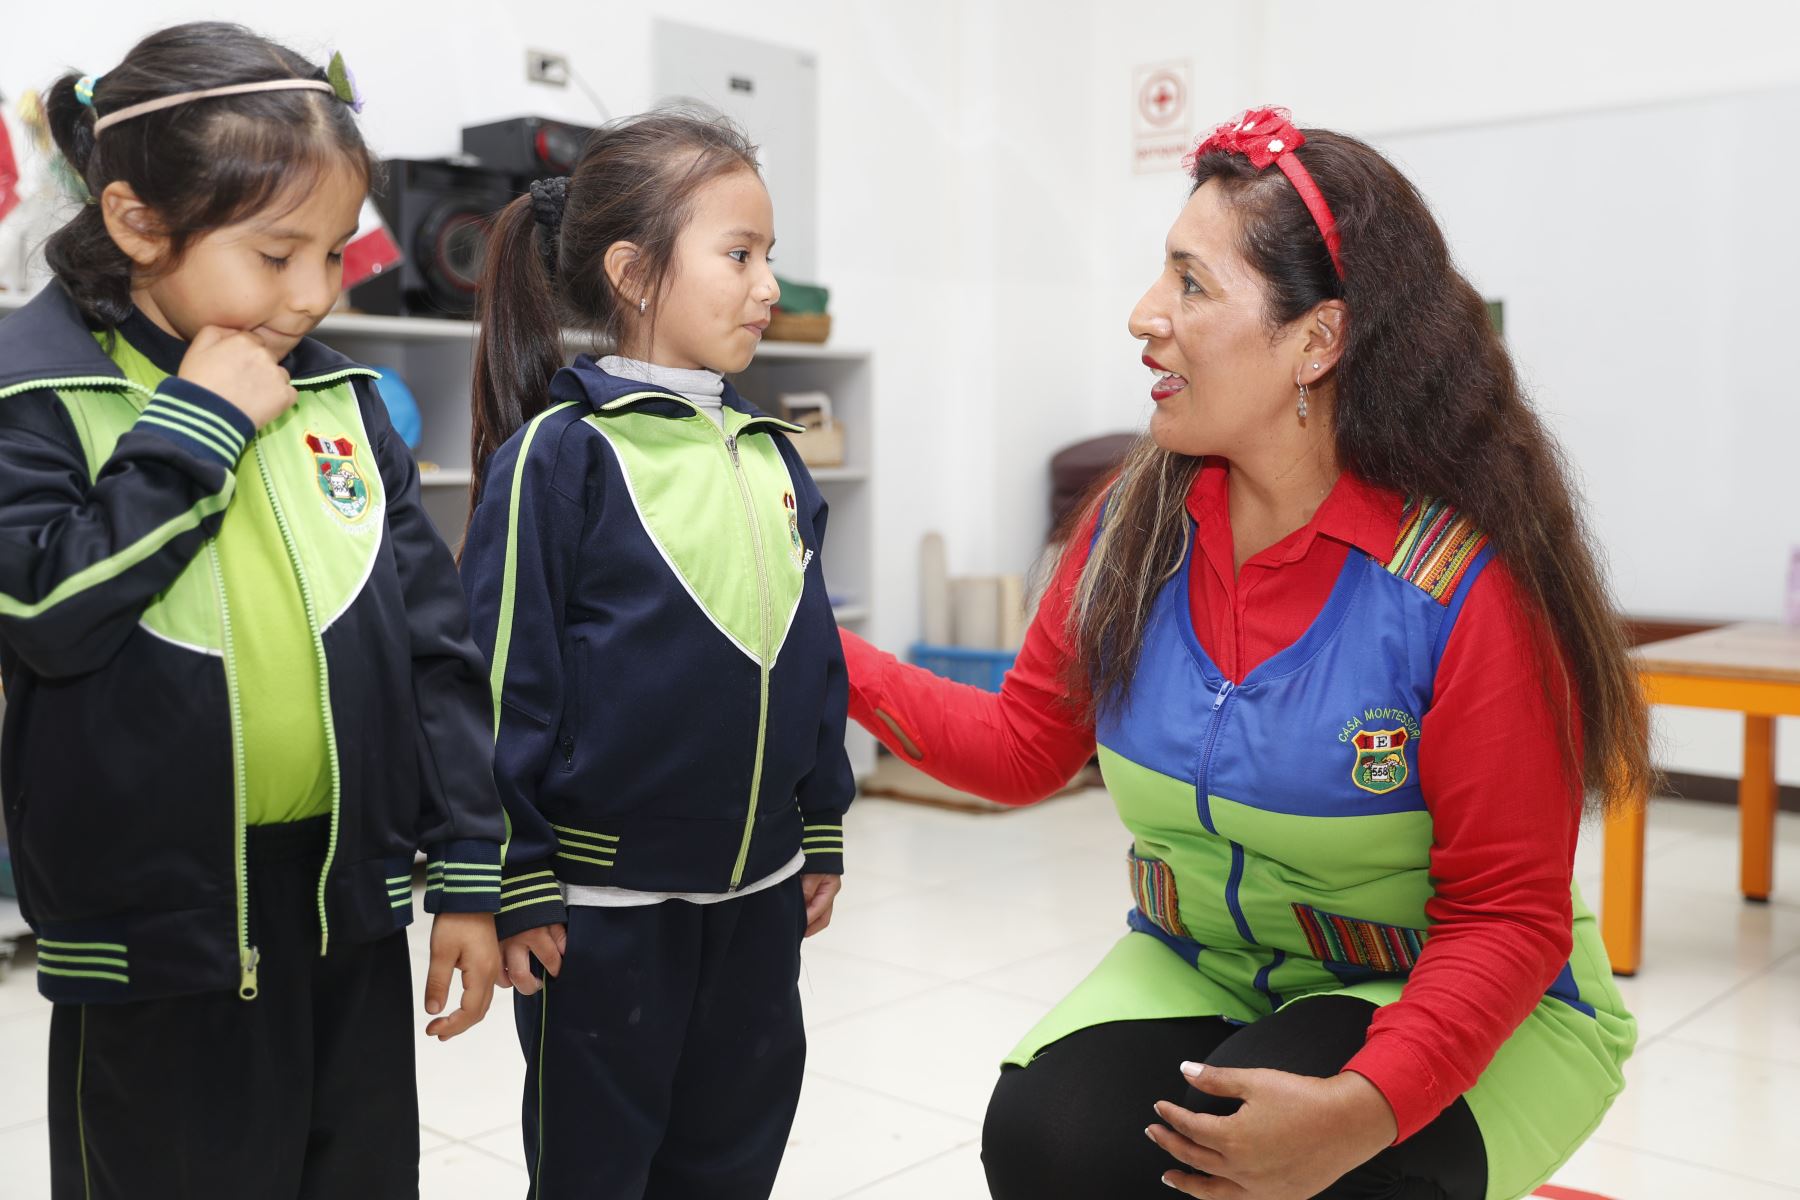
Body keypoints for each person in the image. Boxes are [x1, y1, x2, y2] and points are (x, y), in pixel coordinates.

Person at [841, 106, 1644, 1200]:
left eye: (1191, 284)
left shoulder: (1461, 588)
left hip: (1457, 992)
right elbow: (1025, 743)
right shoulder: (1132, 526)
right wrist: (819, 654)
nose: (1143, 315)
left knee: (1290, 1171)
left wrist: (1365, 1109)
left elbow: (1508, 917)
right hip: (1213, 965)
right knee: (1048, 1140)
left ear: (1317, 340)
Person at [0, 23, 503, 1198]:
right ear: (136, 221)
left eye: (334, 255)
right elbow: (43, 608)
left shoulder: (338, 395)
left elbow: (433, 646)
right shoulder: (33, 388)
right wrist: (194, 426)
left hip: (349, 908)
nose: (313, 295)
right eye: (276, 255)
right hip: (154, 934)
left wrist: (472, 865)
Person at [459, 108, 854, 1200]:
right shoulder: (562, 455)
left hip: (760, 895)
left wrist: (818, 820)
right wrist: (517, 869)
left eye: (769, 254)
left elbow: (814, 653)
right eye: (739, 254)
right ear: (633, 272)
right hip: (601, 913)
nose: (768, 284)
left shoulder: (775, 454)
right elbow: (500, 680)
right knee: (597, 1164)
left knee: (735, 1146)